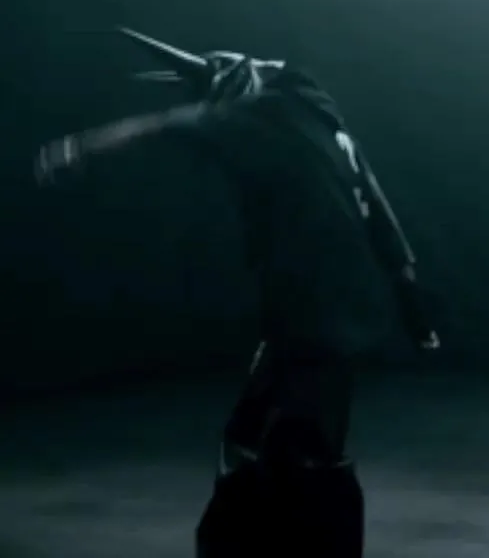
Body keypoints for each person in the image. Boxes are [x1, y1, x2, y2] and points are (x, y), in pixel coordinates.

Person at [35, 28, 443, 558]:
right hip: (316, 313)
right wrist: (415, 311)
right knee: (252, 437)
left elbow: (169, 125)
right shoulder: (321, 121)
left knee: (307, 454)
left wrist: (82, 146)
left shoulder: (264, 115)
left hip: (322, 316)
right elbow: (383, 219)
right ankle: (236, 538)